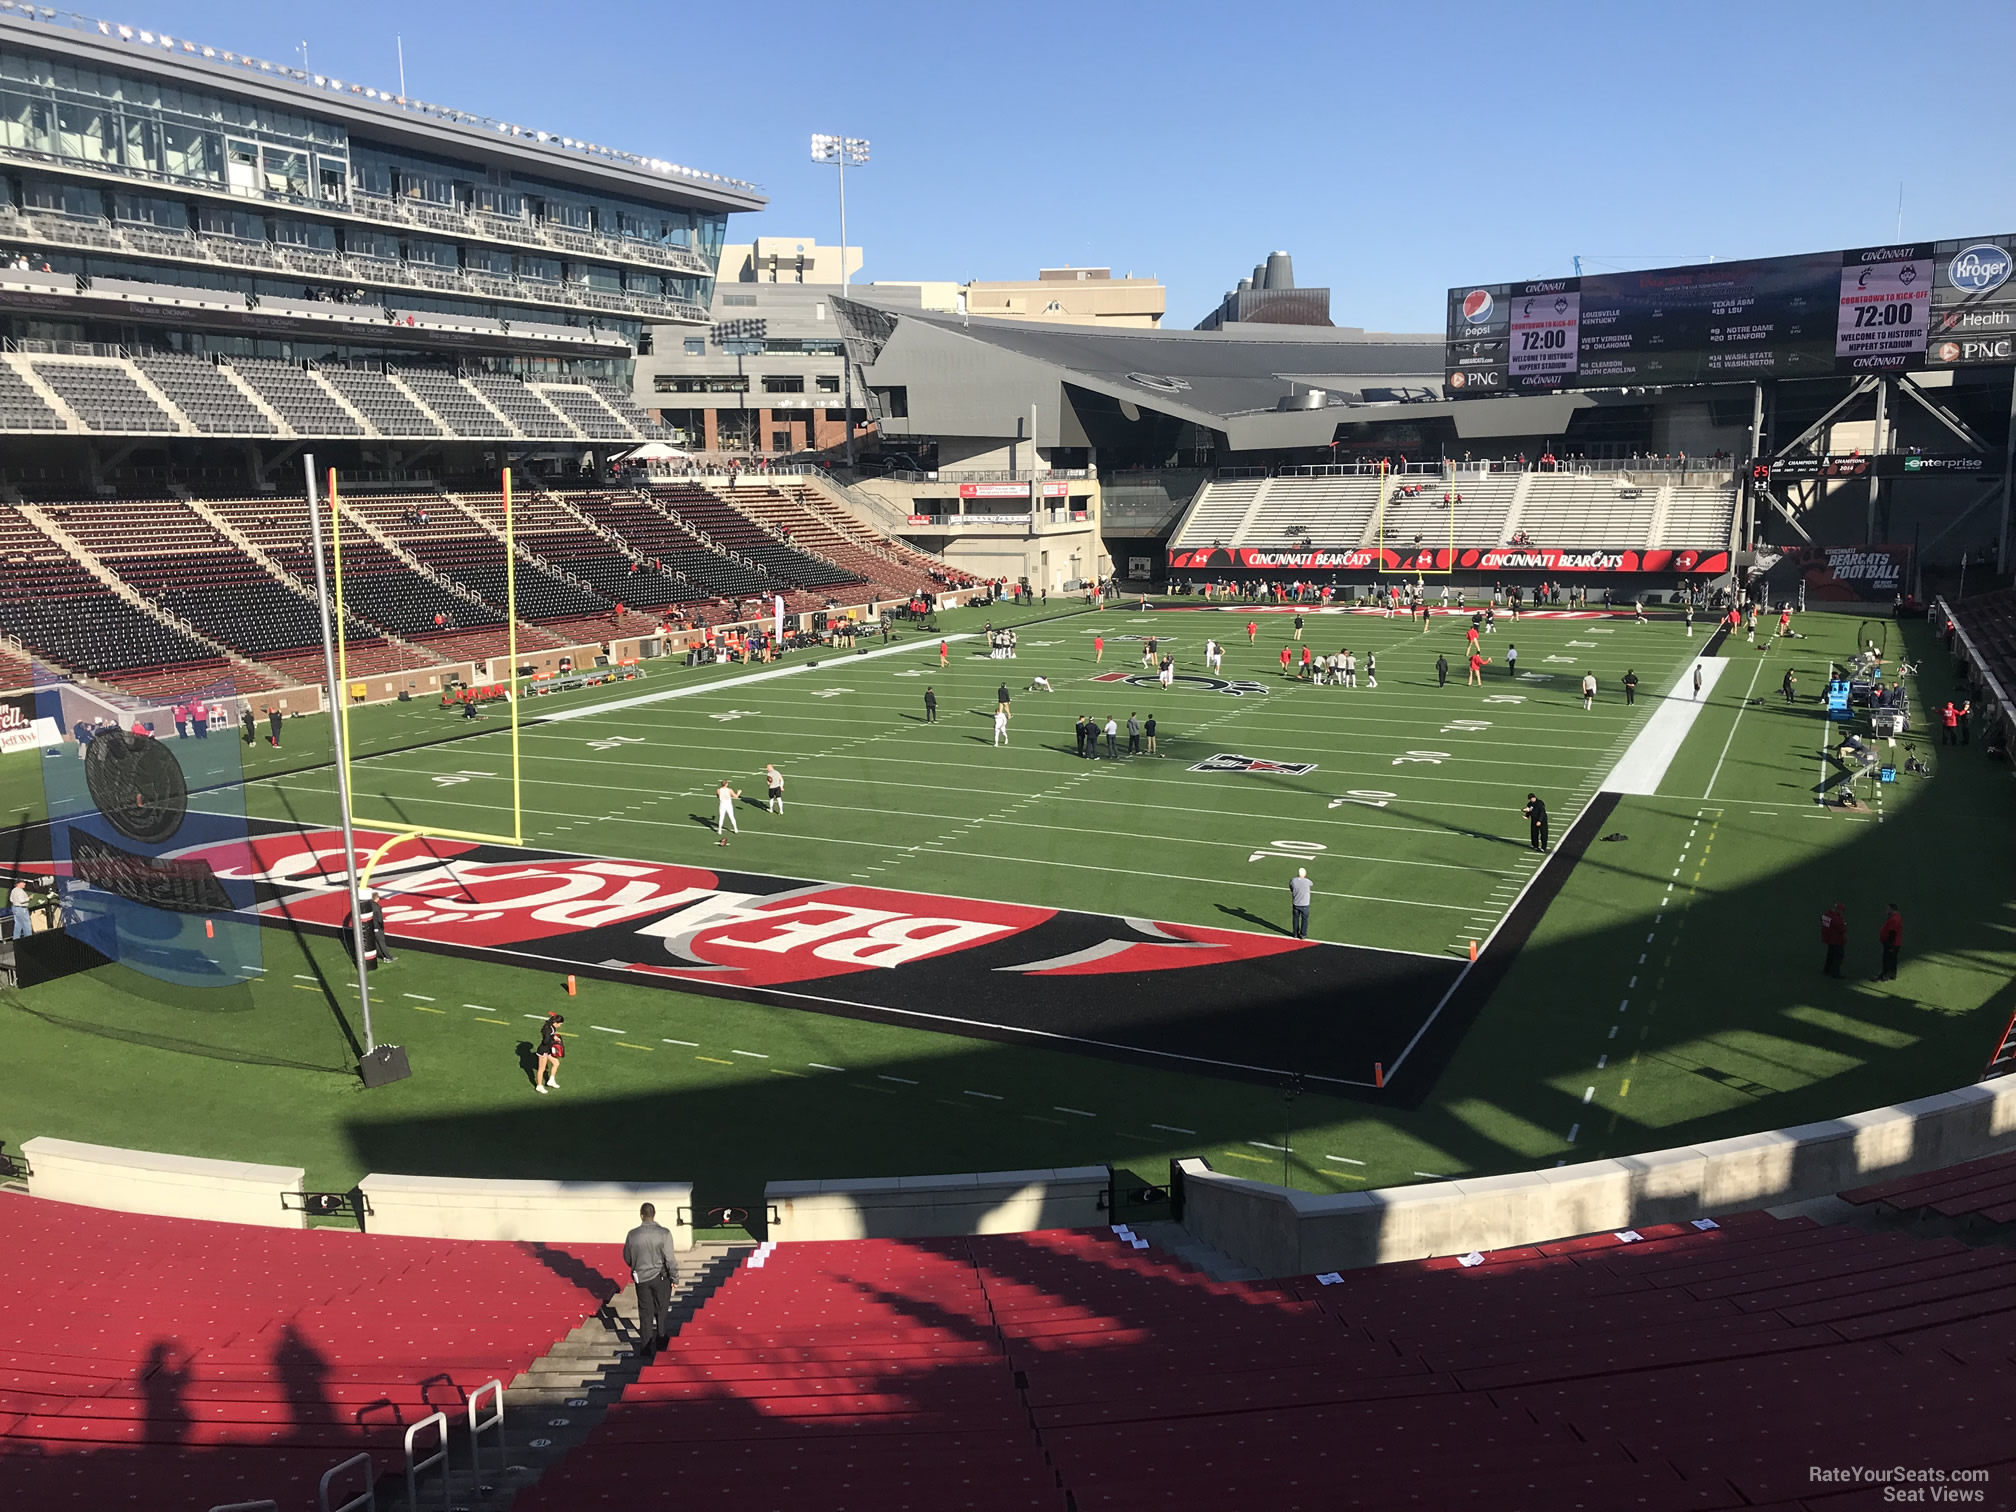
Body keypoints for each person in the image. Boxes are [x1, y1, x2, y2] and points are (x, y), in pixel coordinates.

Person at [623, 1202, 679, 1355]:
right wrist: (674, 1277)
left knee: (645, 1311)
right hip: (660, 1277)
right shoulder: (664, 1233)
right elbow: (670, 1259)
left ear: (641, 1215)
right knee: (661, 1309)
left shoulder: (632, 1235)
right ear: (654, 1214)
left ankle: (646, 1345)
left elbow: (627, 1257)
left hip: (641, 1278)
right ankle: (661, 1339)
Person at [352, 885, 394, 966]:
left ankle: (381, 955)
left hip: (370, 927)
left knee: (376, 943)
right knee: (381, 942)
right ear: (376, 898)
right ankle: (388, 957)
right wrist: (381, 927)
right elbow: (379, 919)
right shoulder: (376, 907)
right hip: (377, 927)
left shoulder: (368, 904)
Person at [534, 1011, 565, 1093]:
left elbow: (550, 1036)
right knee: (542, 1069)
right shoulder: (549, 1029)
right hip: (543, 1051)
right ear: (555, 1022)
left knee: (556, 1063)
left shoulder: (552, 1027)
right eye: (560, 1024)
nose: (560, 1025)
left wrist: (554, 1036)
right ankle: (539, 1086)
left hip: (548, 1050)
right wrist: (553, 1039)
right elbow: (545, 1041)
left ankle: (551, 1080)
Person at [1876, 904, 1902, 982]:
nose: (1886, 911)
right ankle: (1892, 975)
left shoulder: (1894, 919)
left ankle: (1885, 976)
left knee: (1887, 959)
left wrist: (1889, 945)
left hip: (1891, 943)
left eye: (1888, 909)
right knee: (1892, 959)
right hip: (1895, 943)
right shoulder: (1896, 917)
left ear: (1892, 909)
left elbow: (1892, 933)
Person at [1820, 903, 1847, 979]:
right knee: (1838, 956)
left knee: (1830, 955)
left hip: (1829, 939)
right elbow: (1842, 929)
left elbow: (1823, 923)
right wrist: (1844, 923)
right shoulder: (1837, 919)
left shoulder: (1825, 915)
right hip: (1837, 940)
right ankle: (1835, 973)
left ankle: (1827, 970)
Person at [1288, 867, 1313, 940]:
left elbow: (1291, 888)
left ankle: (1295, 933)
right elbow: (1311, 884)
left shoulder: (1293, 880)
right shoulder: (1307, 881)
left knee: (1295, 918)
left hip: (1296, 903)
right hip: (1305, 904)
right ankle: (1303, 934)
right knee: (1304, 919)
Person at [715, 778, 740, 846]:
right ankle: (735, 829)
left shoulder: (718, 790)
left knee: (721, 818)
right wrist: (738, 793)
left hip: (722, 804)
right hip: (728, 805)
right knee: (731, 817)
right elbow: (736, 796)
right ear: (726, 784)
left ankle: (719, 830)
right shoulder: (729, 790)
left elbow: (717, 796)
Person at [8, 877, 31, 941]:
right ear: (18, 883)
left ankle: (16, 939)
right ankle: (29, 939)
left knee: (18, 925)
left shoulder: (13, 890)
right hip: (22, 909)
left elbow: (11, 899)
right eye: (23, 883)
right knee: (26, 925)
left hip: (15, 908)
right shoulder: (20, 891)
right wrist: (29, 898)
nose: (24, 884)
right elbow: (21, 900)